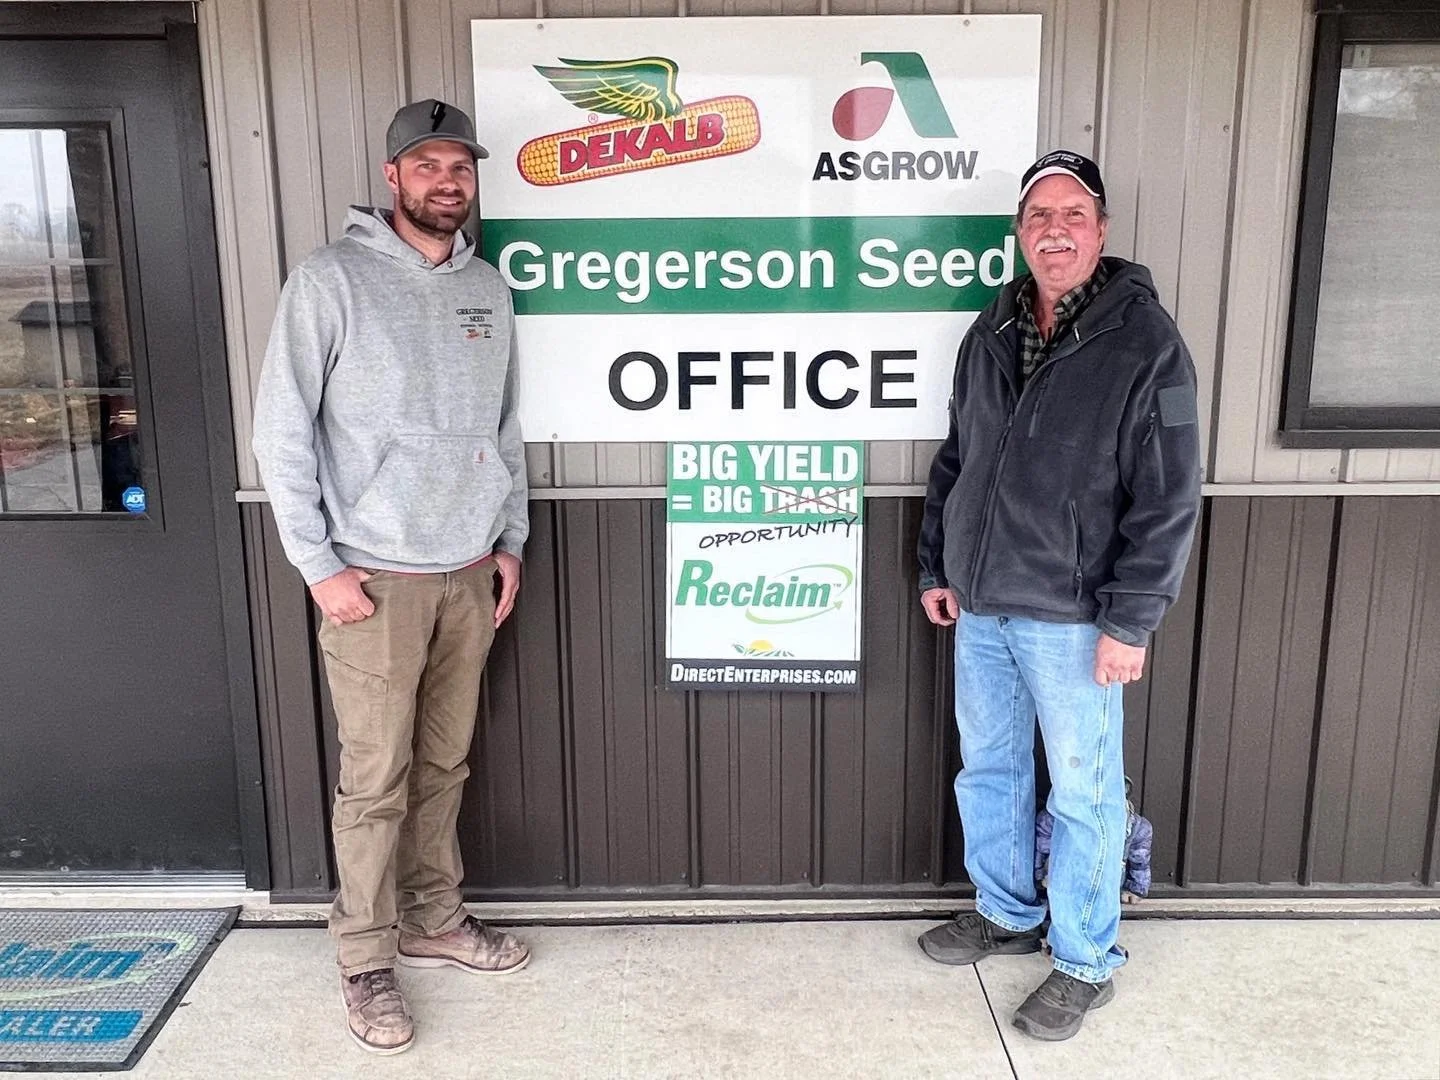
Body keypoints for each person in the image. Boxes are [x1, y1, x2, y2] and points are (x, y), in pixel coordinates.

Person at [252, 98, 530, 1056]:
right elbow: (282, 431)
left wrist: (509, 541)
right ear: (393, 178)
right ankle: (366, 959)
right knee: (375, 780)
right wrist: (317, 566)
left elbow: (505, 430)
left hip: (466, 575)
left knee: (443, 765)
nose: (446, 183)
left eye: (459, 168)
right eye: (428, 167)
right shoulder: (329, 282)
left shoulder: (487, 290)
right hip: (371, 583)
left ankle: (433, 919)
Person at [914, 150, 1201, 1041]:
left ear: (1102, 230)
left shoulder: (1145, 341)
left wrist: (1132, 618)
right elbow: (958, 459)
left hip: (1078, 617)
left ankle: (1083, 957)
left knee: (1083, 792)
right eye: (1039, 216)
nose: (1055, 231)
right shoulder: (992, 327)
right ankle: (1006, 912)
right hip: (984, 603)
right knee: (989, 771)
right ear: (1020, 234)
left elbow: (1171, 494)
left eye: (1073, 215)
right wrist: (938, 565)